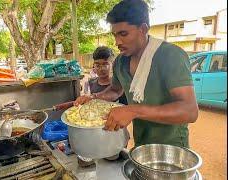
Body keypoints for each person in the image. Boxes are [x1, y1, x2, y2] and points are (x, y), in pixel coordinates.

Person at [75, 0, 198, 148]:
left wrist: (133, 110)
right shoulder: (120, 61)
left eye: (123, 34)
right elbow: (115, 90)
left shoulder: (171, 56)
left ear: (143, 29)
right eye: (114, 35)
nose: (117, 42)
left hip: (171, 149)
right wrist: (93, 97)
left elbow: (190, 111)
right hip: (141, 145)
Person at [78, 46, 129, 167]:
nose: (101, 68)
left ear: (112, 65)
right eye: (97, 65)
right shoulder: (91, 83)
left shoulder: (119, 84)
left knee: (114, 161)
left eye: (105, 64)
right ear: (93, 66)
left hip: (117, 133)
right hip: (97, 133)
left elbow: (125, 111)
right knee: (100, 164)